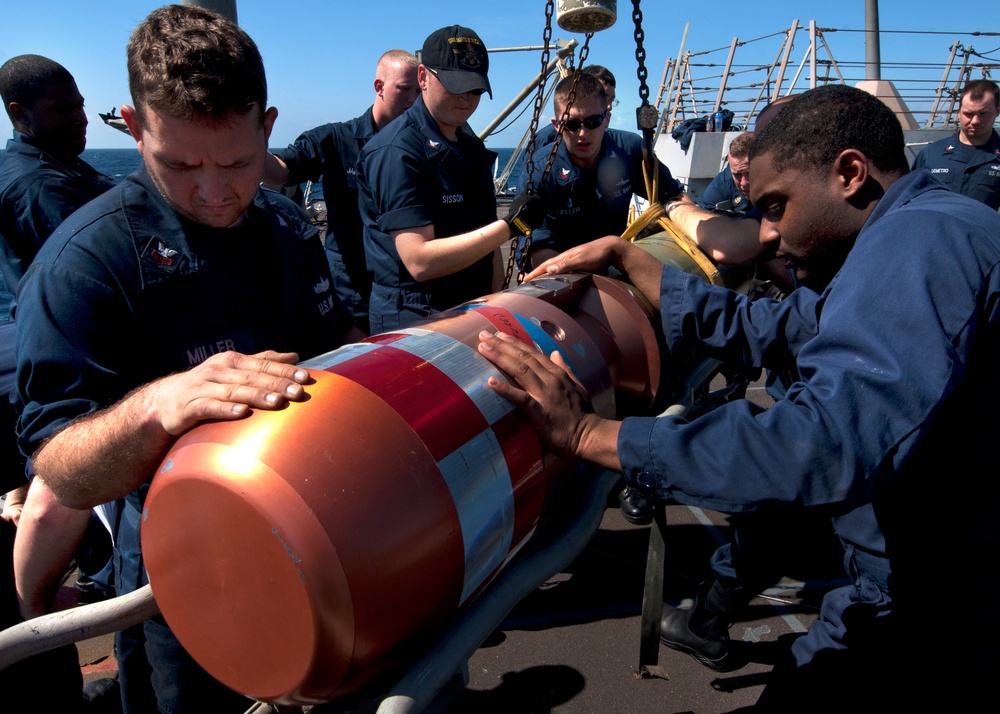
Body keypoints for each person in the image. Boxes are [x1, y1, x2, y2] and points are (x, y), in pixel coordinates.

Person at [478, 84, 1000, 706]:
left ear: (850, 174)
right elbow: (774, 327)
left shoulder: (920, 248)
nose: (770, 235)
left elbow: (821, 444)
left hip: (942, 586)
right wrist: (629, 257)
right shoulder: (912, 232)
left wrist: (592, 435)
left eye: (777, 206)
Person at [13, 5, 345, 712]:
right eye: (181, 163)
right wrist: (157, 407)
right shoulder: (85, 267)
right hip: (184, 585)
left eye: (236, 161)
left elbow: (336, 365)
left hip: (323, 546)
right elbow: (63, 473)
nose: (215, 190)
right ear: (134, 131)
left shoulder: (286, 227)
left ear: (268, 126)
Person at [357, 25, 544, 334]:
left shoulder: (470, 148)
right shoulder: (397, 151)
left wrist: (496, 296)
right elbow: (419, 261)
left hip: (471, 308)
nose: (465, 98)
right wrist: (510, 227)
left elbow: (485, 239)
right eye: (455, 85)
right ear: (423, 78)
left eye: (474, 90)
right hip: (415, 319)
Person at [264, 49, 419, 333]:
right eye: (404, 89)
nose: (412, 99)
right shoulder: (336, 140)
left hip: (404, 292)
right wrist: (248, 143)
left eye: (418, 91)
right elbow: (279, 171)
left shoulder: (419, 149)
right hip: (351, 292)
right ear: (379, 87)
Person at [515, 72, 688, 269]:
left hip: (612, 265)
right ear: (557, 126)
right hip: (561, 271)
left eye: (592, 122)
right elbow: (531, 243)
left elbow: (674, 196)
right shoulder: (540, 167)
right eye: (571, 124)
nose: (582, 133)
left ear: (606, 119)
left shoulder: (628, 149)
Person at [0, 55, 116, 300]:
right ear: (20, 114)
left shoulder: (59, 161)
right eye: (63, 109)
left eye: (80, 106)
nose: (81, 119)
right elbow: (106, 267)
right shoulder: (40, 185)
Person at [913, 78, 1000, 210]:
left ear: (997, 111)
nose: (975, 121)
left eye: (983, 113)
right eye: (969, 114)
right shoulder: (932, 154)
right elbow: (910, 199)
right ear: (958, 113)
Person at [698, 131, 753, 213]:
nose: (744, 183)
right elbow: (703, 212)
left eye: (749, 173)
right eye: (737, 174)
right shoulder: (725, 181)